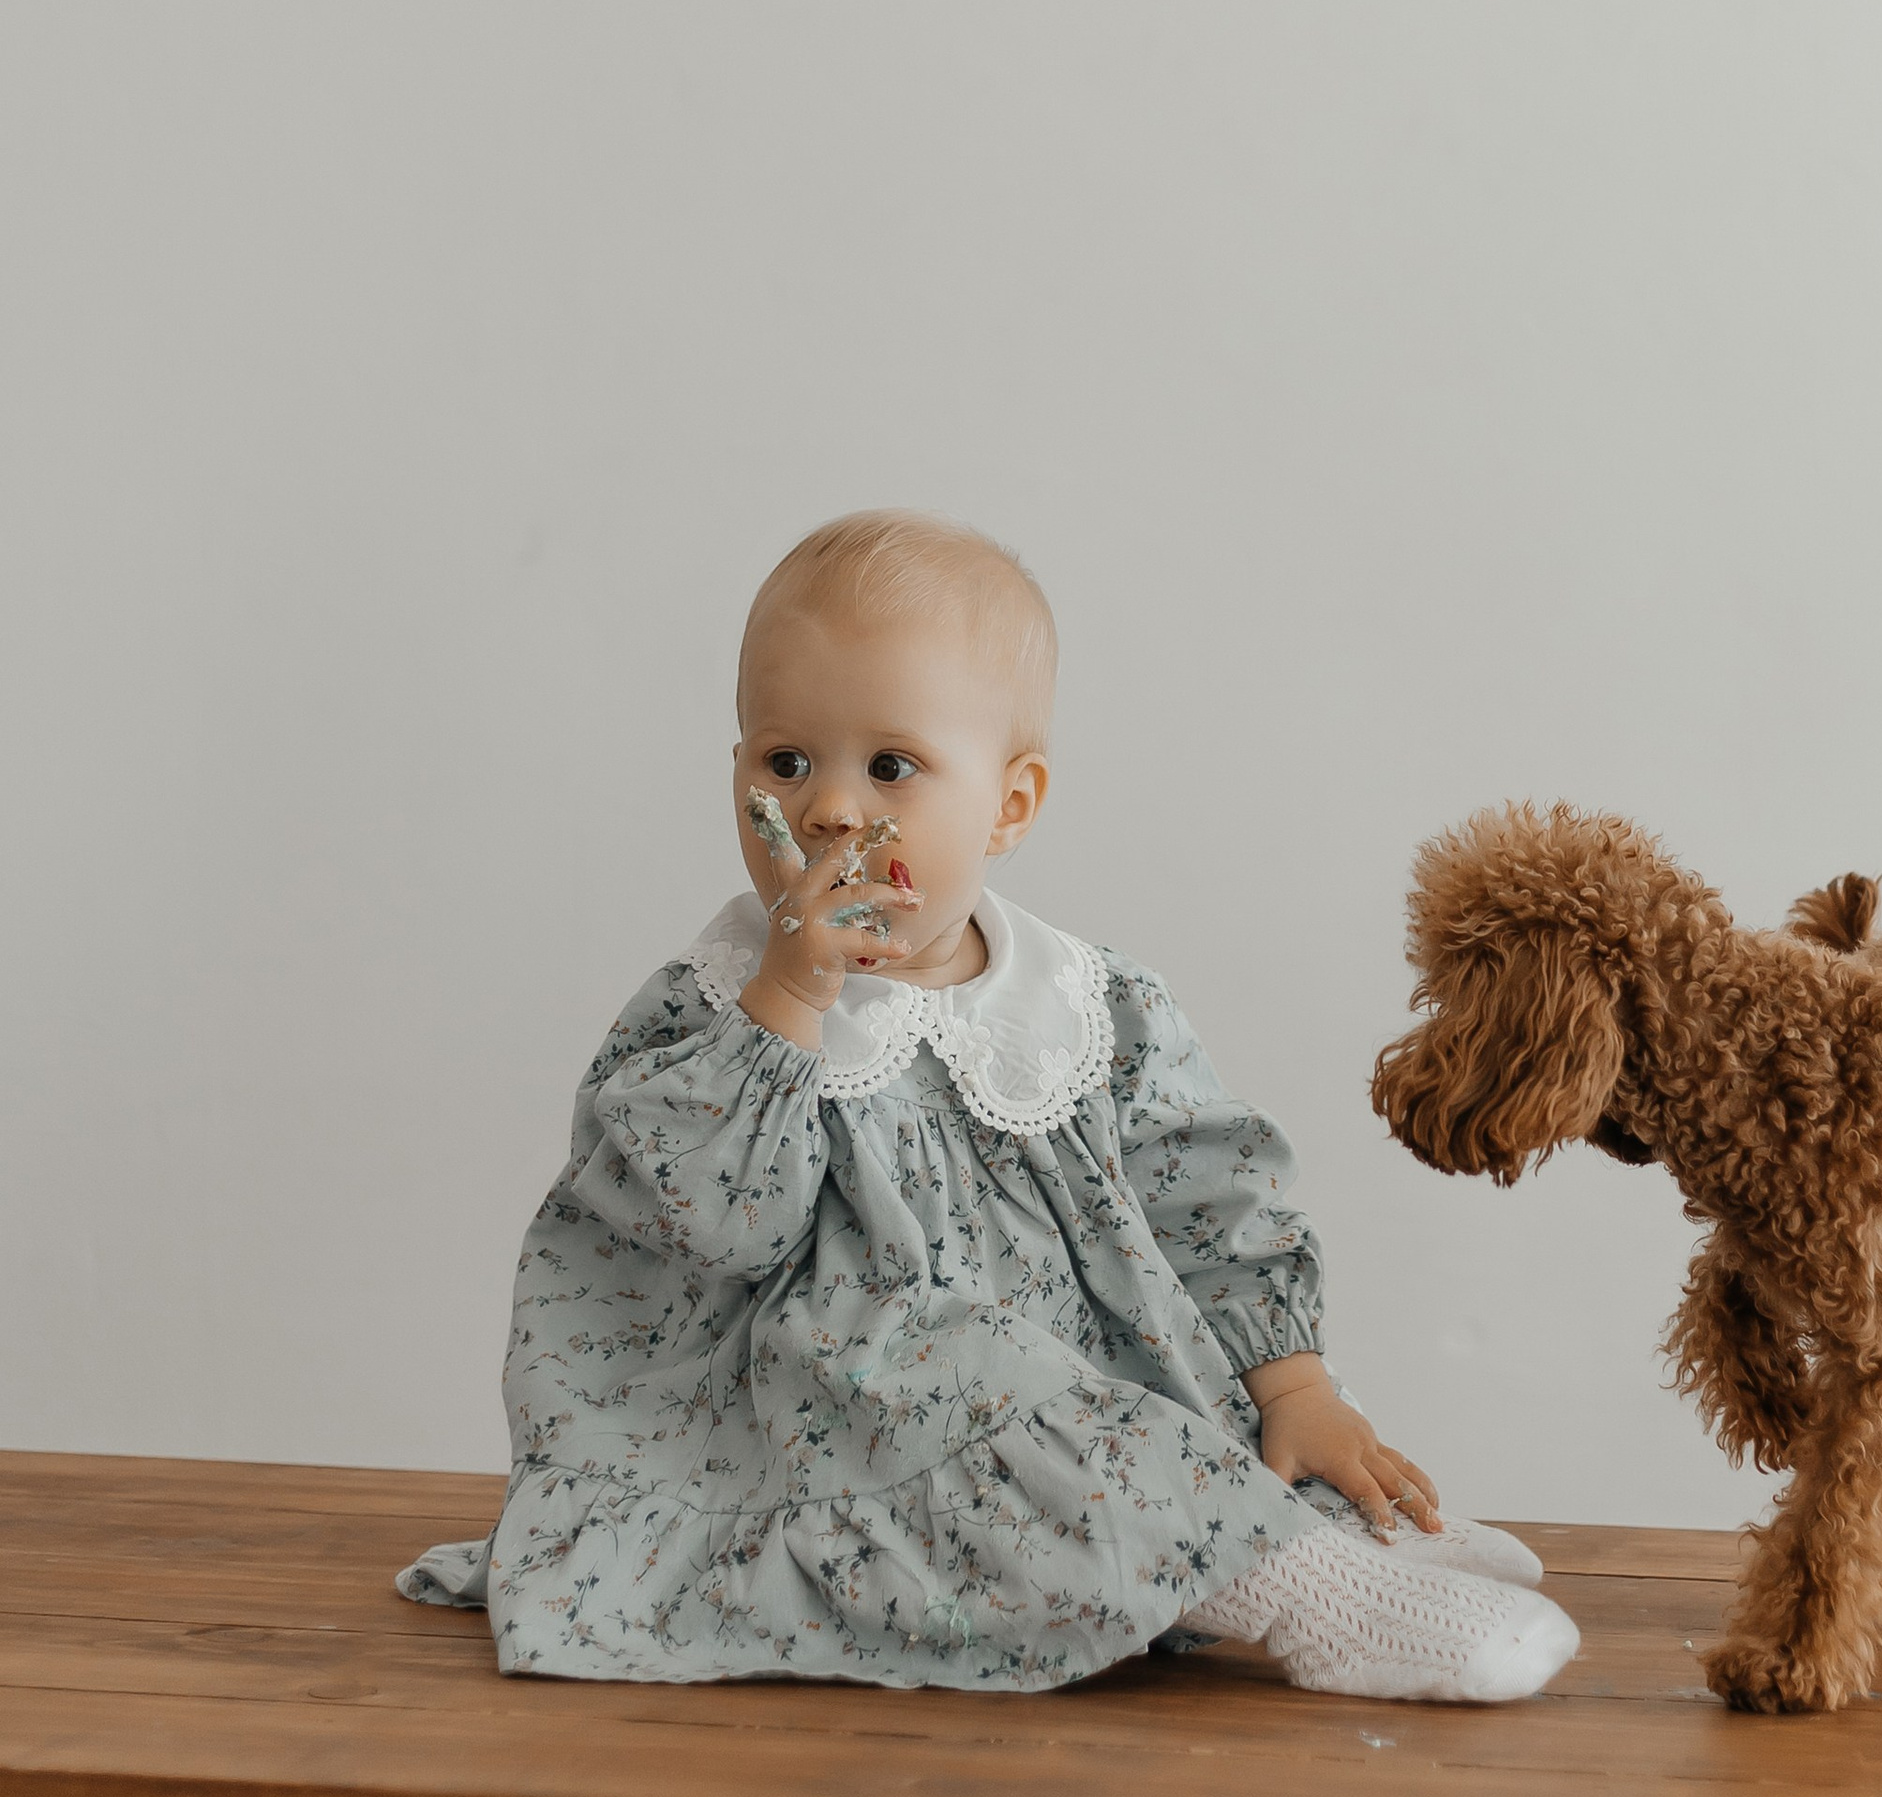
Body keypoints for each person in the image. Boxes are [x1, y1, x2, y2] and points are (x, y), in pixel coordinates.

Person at [401, 508, 1578, 1704]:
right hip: (843, 1421)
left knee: (1138, 1398)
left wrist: (1297, 1389)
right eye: (784, 761)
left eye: (891, 767)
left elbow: (1210, 1197)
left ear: (1010, 806)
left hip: (1089, 1403)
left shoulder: (1090, 1006)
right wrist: (789, 1005)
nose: (830, 813)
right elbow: (710, 1226)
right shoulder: (710, 1015)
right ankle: (1305, 1595)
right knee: (974, 1375)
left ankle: (1304, 1523)